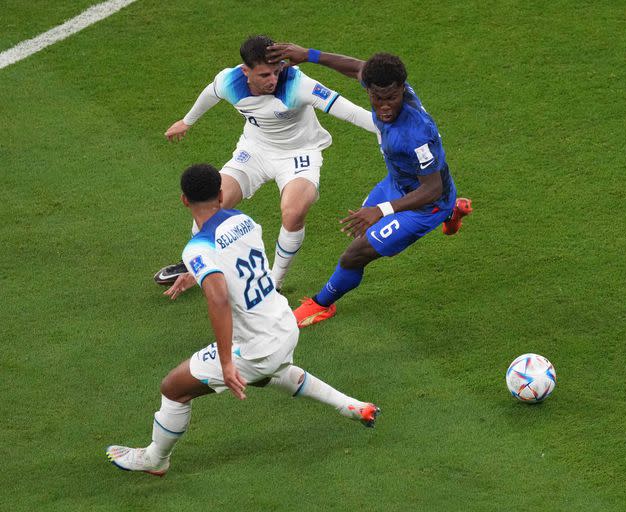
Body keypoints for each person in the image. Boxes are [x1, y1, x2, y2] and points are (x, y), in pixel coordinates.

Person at [107, 164, 379, 476]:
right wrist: (196, 275)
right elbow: (237, 263)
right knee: (268, 373)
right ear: (221, 195)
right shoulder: (243, 220)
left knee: (174, 388)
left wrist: (226, 362)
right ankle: (351, 405)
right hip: (284, 322)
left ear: (184, 200)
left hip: (257, 343)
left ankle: (155, 459)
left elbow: (220, 298)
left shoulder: (197, 247)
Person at [265, 44, 473, 327]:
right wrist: (310, 55)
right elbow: (356, 67)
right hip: (400, 183)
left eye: (392, 98)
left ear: (403, 89)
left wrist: (383, 210)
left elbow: (432, 189)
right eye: (377, 98)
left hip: (427, 203)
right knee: (362, 231)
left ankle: (321, 304)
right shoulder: (380, 81)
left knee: (356, 253)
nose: (384, 106)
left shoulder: (417, 132)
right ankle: (451, 213)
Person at [155, 34, 377, 293]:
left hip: (299, 155)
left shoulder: (298, 84)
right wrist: (187, 121)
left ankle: (274, 282)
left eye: (276, 71)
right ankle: (194, 261)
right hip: (255, 150)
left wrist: (392, 128)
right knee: (212, 201)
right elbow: (211, 92)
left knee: (293, 212)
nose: (273, 80)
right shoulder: (230, 80)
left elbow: (350, 112)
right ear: (245, 71)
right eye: (264, 75)